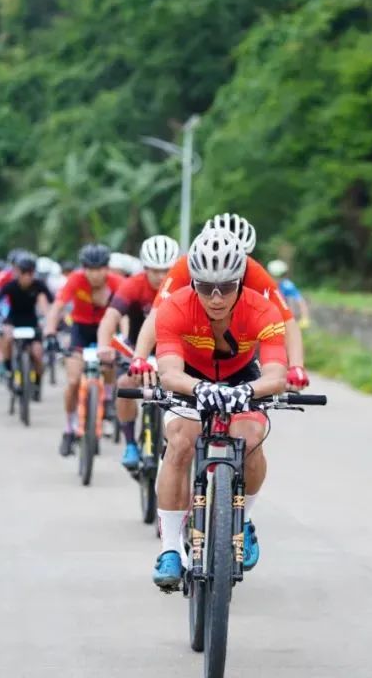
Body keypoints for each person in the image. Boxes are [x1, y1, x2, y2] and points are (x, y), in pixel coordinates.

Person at [146, 228, 288, 589]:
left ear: (240, 281)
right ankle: (171, 549)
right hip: (191, 377)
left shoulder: (262, 308)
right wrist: (201, 388)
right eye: (205, 285)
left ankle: (243, 520)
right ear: (191, 280)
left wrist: (247, 391)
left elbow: (276, 374)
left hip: (243, 376)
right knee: (179, 439)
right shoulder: (175, 306)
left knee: (252, 435)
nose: (215, 296)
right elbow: (169, 372)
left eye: (225, 287)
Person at [131, 213, 310, 392]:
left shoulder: (253, 270)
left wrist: (296, 367)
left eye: (238, 257)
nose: (223, 266)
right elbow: (157, 314)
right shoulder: (186, 266)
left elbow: (286, 321)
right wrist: (140, 357)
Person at [97, 235, 179, 469]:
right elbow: (111, 317)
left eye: (166, 270)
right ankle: (131, 443)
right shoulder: (132, 284)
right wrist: (104, 345)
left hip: (171, 352)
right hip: (137, 350)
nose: (162, 277)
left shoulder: (183, 285)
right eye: (155, 271)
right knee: (125, 383)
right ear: (145, 268)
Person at [43, 243, 124, 456]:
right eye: (90, 268)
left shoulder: (117, 282)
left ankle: (106, 400)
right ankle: (69, 428)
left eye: (99, 269)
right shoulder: (75, 280)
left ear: (107, 268)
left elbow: (125, 314)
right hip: (80, 330)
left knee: (109, 364)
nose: (95, 274)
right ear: (83, 268)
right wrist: (50, 332)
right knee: (72, 380)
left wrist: (125, 339)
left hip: (106, 330)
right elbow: (57, 307)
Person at [0, 252, 54, 397]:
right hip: (14, 320)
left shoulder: (39, 285)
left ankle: (37, 381)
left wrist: (53, 322)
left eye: (30, 273)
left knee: (37, 353)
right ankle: (8, 368)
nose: (27, 276)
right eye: (24, 272)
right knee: (7, 337)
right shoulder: (11, 286)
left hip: (31, 320)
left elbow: (53, 302)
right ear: (18, 272)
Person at [267, 259, 311, 328]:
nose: (277, 279)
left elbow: (300, 301)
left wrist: (305, 318)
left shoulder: (287, 285)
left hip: (284, 316)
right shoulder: (265, 283)